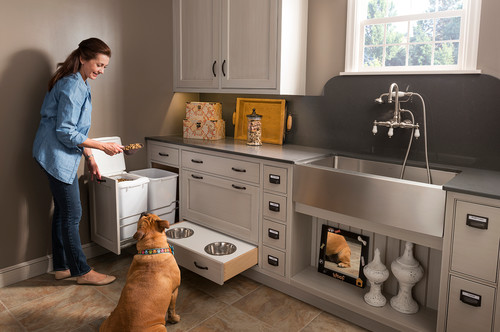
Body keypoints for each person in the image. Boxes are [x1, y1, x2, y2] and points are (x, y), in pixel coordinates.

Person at [33, 38, 122, 285]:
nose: (101, 71)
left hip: (55, 152)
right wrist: (102, 147)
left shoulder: (78, 81)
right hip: (55, 154)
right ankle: (81, 271)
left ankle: (62, 267)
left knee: (63, 211)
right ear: (83, 58)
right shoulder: (73, 85)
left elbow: (76, 130)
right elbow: (65, 132)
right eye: (99, 64)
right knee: (73, 213)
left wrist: (91, 157)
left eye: (105, 67)